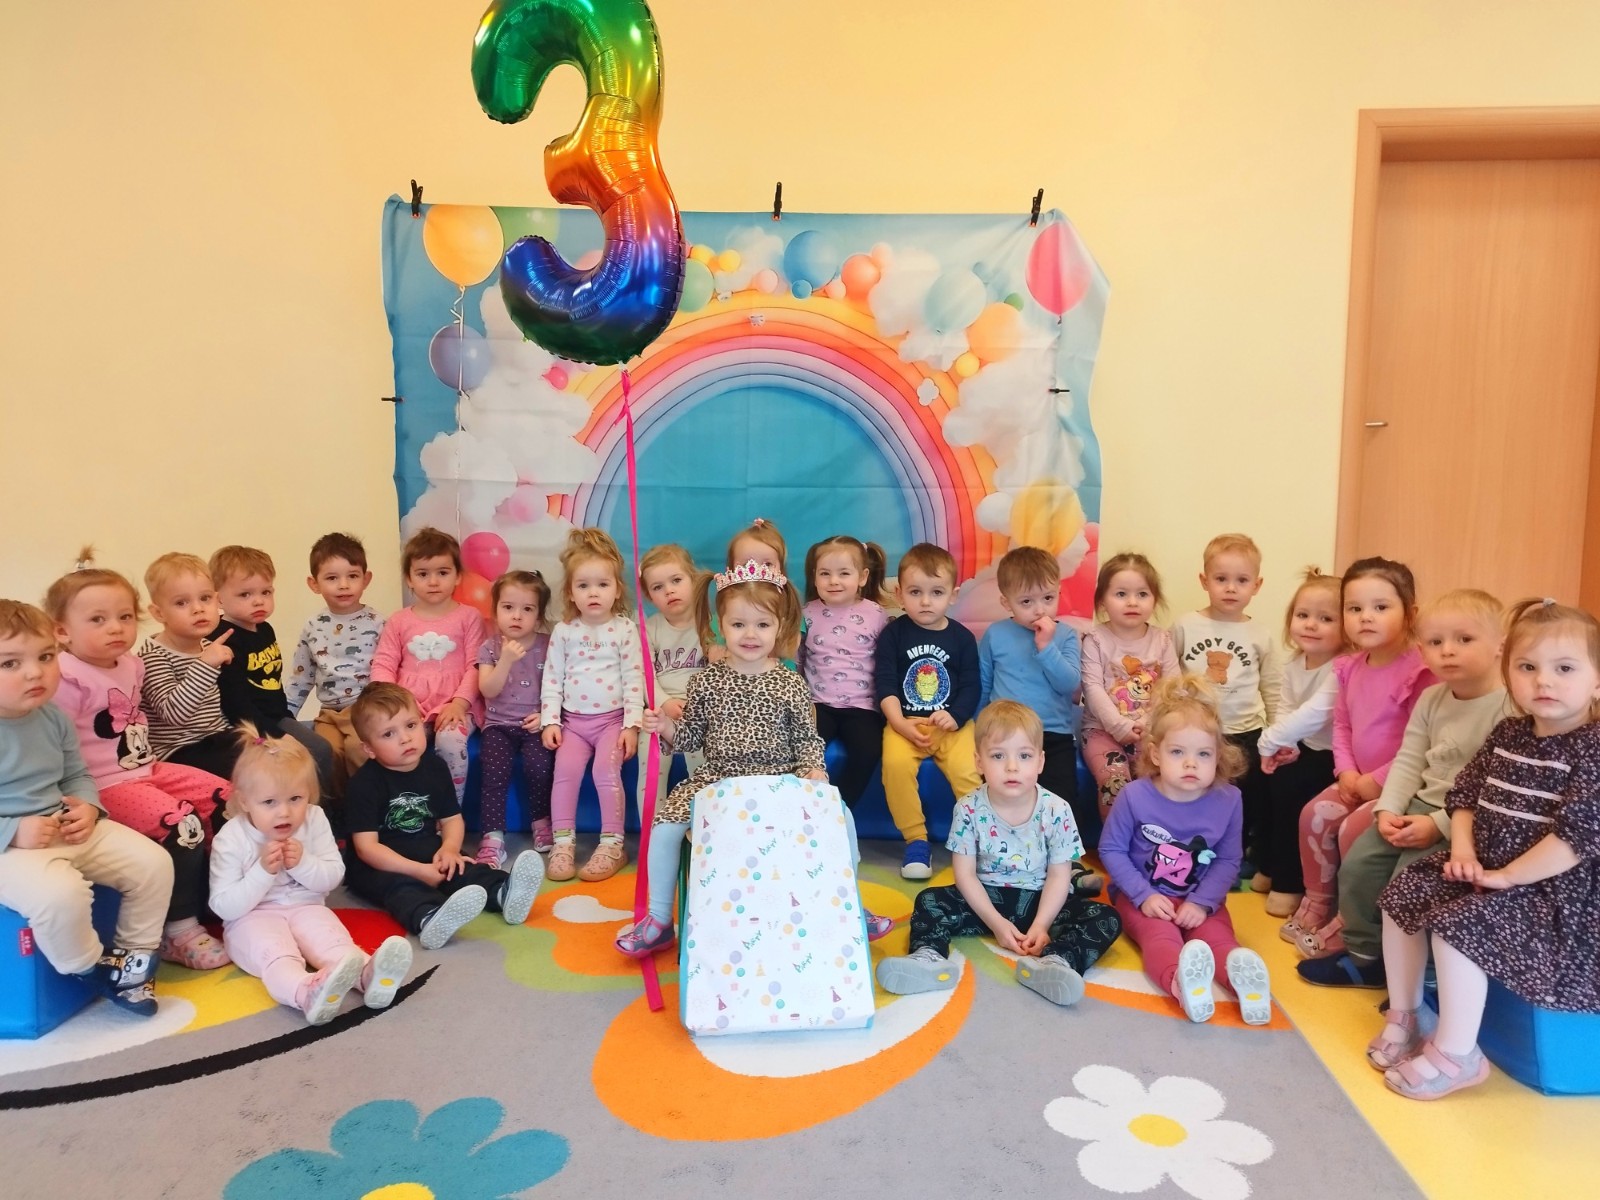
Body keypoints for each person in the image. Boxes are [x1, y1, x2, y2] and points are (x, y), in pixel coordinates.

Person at [1371, 599, 1600, 1099]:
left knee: (1461, 926)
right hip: (1488, 869)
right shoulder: (1509, 732)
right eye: (1527, 667)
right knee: (1403, 893)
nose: (1544, 681)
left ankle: (1458, 1055)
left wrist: (1508, 876)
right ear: (1509, 673)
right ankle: (1408, 1014)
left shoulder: (1593, 747)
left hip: (1554, 894)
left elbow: (1576, 839)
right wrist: (1463, 852)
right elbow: (1465, 797)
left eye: (1564, 669)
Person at [615, 558, 894, 957]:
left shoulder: (790, 683)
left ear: (780, 627)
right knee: (665, 827)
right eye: (738, 624)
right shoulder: (706, 681)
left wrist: (814, 769)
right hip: (717, 780)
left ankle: (849, 907)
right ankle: (659, 921)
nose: (750, 634)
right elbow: (690, 738)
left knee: (841, 816)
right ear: (721, 625)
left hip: (781, 780)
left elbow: (807, 739)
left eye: (762, 624)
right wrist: (665, 726)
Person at [1300, 589, 1507, 988]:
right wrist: (1388, 810)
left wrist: (1438, 824)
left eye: (1464, 639)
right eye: (1435, 642)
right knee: (1359, 866)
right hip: (1415, 805)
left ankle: (1424, 979)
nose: (1448, 651)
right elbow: (1410, 759)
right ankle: (1364, 957)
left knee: (1409, 883)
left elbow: (1495, 790)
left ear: (1500, 645)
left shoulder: (1508, 709)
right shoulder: (1432, 698)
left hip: (1463, 822)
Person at [47, 553, 230, 970]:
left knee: (225, 796)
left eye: (124, 617)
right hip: (104, 784)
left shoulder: (132, 663)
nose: (115, 627)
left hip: (146, 768)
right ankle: (177, 929)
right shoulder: (66, 675)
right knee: (181, 822)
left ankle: (214, 900)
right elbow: (51, 746)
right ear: (62, 631)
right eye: (98, 620)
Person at [874, 700, 1122, 1006]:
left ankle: (1057, 961)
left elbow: (1059, 876)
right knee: (928, 900)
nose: (1012, 767)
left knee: (1106, 917)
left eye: (1024, 756)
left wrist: (1042, 925)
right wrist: (995, 923)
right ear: (978, 762)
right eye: (998, 756)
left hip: (1040, 900)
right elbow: (965, 876)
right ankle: (928, 957)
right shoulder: (967, 808)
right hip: (985, 900)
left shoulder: (1057, 810)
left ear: (1040, 762)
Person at [0, 600, 172, 1016]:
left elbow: (77, 773)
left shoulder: (52, 717)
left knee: (154, 863)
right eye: (10, 663)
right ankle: (90, 968)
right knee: (60, 895)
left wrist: (89, 807)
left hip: (64, 826)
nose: (35, 672)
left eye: (46, 657)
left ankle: (134, 957)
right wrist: (13, 830)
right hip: (9, 849)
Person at [1099, 676, 1274, 1025]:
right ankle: (1181, 982)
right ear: (1156, 754)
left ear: (1218, 756)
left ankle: (1244, 984)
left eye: (1203, 754)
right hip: (1143, 897)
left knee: (1218, 938)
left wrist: (1201, 902)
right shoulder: (1134, 796)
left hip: (1201, 899)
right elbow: (1111, 849)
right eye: (1178, 752)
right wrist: (1143, 895)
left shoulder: (1229, 799)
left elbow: (1228, 859)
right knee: (1160, 938)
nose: (1191, 763)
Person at [209, 725, 412, 1023]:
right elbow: (224, 906)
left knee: (336, 945)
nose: (285, 812)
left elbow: (332, 877)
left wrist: (303, 863)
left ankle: (369, 975)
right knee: (277, 955)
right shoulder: (231, 838)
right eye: (269, 802)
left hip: (307, 906)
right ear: (244, 802)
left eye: (295, 799)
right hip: (250, 919)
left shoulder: (314, 819)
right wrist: (261, 872)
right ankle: (305, 992)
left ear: (310, 795)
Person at [1285, 557, 1434, 957]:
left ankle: (1350, 920)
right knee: (1313, 815)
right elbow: (1342, 726)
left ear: (1410, 614)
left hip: (1400, 787)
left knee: (1353, 830)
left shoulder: (1420, 671)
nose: (1366, 617)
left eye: (1380, 607)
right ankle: (1319, 900)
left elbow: (1419, 745)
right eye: (1354, 608)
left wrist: (1375, 782)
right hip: (1355, 779)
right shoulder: (1349, 667)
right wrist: (1346, 773)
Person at [343, 683, 544, 949]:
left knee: (461, 866)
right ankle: (429, 917)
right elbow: (367, 849)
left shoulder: (435, 767)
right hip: (379, 863)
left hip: (426, 848)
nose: (405, 738)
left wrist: (449, 849)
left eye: (411, 725)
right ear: (369, 748)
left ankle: (503, 892)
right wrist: (418, 871)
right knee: (401, 888)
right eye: (389, 733)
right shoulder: (364, 784)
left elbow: (451, 819)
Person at [1173, 533, 1281, 891]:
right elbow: (1169, 675)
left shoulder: (1261, 634)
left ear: (1257, 585)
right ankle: (1196, 853)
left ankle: (1234, 857)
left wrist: (1277, 733)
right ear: (1204, 580)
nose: (1231, 588)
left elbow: (1272, 688)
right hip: (1197, 732)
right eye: (1221, 579)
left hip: (1246, 731)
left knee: (1244, 799)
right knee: (1198, 794)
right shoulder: (1185, 625)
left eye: (1241, 580)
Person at [540, 528, 645, 883]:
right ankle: (562, 843)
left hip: (612, 722)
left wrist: (631, 726)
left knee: (605, 772)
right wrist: (550, 721)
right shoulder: (564, 631)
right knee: (565, 773)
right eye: (583, 586)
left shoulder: (624, 629)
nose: (593, 593)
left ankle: (613, 844)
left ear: (617, 589)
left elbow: (634, 678)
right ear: (571, 592)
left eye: (602, 584)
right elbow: (552, 678)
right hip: (573, 724)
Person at [874, 543, 981, 880]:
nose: (925, 601)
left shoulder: (962, 638)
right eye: (915, 592)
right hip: (906, 723)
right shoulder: (892, 635)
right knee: (895, 766)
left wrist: (956, 716)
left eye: (936, 592)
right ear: (899, 593)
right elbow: (885, 685)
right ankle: (916, 841)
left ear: (953, 595)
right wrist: (899, 723)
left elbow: (971, 686)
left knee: (968, 772)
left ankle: (978, 839)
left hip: (952, 727)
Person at [369, 527, 486, 804]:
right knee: (399, 743)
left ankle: (450, 809)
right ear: (409, 579)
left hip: (456, 705)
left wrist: (459, 704)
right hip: (410, 706)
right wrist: (395, 704)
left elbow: (476, 666)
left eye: (442, 573)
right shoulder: (399, 620)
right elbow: (384, 663)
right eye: (423, 574)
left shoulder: (469, 617)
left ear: (458, 576)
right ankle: (407, 809)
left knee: (450, 741)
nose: (433, 582)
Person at [979, 545, 1087, 840]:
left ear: (1059, 593)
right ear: (1006, 602)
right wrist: (978, 730)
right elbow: (984, 684)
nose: (1040, 610)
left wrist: (1046, 647)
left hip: (1053, 735)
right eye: (1027, 601)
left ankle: (1068, 857)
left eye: (1048, 598)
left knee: (1063, 799)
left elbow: (1069, 684)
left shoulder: (1066, 635)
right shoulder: (995, 634)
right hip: (1003, 735)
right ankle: (1002, 850)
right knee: (1000, 800)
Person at [1253, 568, 1344, 917]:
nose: (1311, 625)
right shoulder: (1294, 663)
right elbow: (1286, 708)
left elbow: (1316, 713)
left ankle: (1289, 883)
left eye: (1326, 618)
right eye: (1303, 615)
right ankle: (1268, 864)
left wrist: (1269, 741)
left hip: (1334, 755)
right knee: (1263, 780)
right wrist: (1281, 746)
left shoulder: (1341, 666)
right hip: (1304, 745)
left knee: (1292, 789)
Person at [208, 544, 336, 790]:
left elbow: (272, 684)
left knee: (320, 749)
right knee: (310, 754)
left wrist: (287, 720)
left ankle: (316, 809)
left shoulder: (265, 629)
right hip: (246, 725)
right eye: (245, 595)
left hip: (275, 717)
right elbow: (235, 707)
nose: (259, 601)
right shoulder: (223, 640)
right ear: (218, 598)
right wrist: (277, 736)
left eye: (266, 592)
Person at [1079, 552, 1179, 819]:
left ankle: (1153, 839)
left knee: (1162, 780)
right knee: (1115, 781)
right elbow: (1092, 687)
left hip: (1151, 731)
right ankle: (1116, 840)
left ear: (1155, 599)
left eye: (1142, 594)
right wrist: (1118, 726)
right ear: (1102, 600)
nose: (1132, 602)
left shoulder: (1162, 640)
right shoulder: (1095, 639)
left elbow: (1172, 689)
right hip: (1102, 731)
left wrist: (1147, 723)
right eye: (1121, 594)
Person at [286, 532, 385, 799]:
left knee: (359, 751)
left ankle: (370, 808)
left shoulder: (378, 623)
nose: (343, 585)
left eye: (352, 576)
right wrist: (283, 720)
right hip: (328, 713)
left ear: (366, 579)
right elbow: (301, 677)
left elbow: (389, 669)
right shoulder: (313, 627)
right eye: (332, 578)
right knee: (325, 754)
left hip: (364, 711)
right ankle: (341, 813)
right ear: (314, 584)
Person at [800, 534, 889, 809]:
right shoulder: (807, 613)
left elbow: (886, 663)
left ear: (862, 577)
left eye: (844, 573)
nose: (834, 581)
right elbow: (797, 660)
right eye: (825, 574)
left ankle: (838, 808)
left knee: (868, 751)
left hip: (862, 707)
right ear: (814, 577)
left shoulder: (876, 614)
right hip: (817, 705)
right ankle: (803, 806)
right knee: (803, 750)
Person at [475, 569, 556, 867]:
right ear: (495, 610)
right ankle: (493, 838)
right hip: (498, 725)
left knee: (539, 767)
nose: (517, 616)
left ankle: (542, 822)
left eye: (527, 609)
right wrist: (506, 660)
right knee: (493, 775)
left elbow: (562, 685)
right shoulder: (490, 648)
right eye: (508, 607)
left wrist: (546, 716)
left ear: (539, 615)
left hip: (536, 724)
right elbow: (488, 690)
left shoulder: (549, 645)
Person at [138, 552, 240, 780]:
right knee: (251, 770)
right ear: (158, 613)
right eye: (181, 603)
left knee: (273, 755)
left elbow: (216, 710)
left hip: (216, 738)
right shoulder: (153, 656)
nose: (197, 609)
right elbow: (174, 714)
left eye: (205, 598)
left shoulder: (207, 646)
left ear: (217, 600)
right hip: (178, 750)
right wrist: (205, 666)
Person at [637, 544, 709, 816]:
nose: (669, 590)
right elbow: (643, 675)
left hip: (701, 712)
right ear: (649, 596)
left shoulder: (710, 623)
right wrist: (664, 703)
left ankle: (705, 824)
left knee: (703, 764)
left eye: (676, 580)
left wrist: (700, 706)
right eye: (658, 587)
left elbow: (721, 672)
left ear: (693, 580)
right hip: (660, 711)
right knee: (651, 765)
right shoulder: (649, 629)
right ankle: (652, 828)